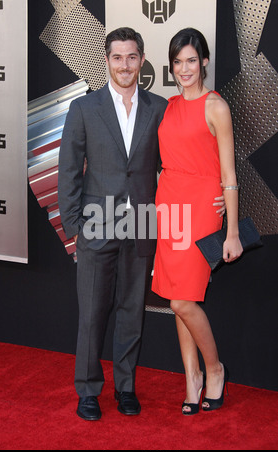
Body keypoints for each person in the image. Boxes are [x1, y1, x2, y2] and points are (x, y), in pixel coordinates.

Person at [58, 27, 225, 421]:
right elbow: (69, 170)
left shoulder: (159, 108)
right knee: (92, 314)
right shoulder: (85, 108)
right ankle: (88, 391)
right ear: (107, 61)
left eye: (132, 57)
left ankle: (126, 388)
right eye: (117, 57)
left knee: (132, 311)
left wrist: (218, 190)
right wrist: (75, 225)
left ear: (142, 60)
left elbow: (189, 150)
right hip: (97, 225)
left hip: (143, 224)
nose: (125, 65)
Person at [152, 28, 243, 415]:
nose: (185, 68)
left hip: (203, 208)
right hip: (169, 206)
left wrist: (233, 231)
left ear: (204, 61)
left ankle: (215, 368)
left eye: (192, 60)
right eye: (178, 62)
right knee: (177, 300)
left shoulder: (216, 106)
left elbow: (230, 175)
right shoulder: (169, 105)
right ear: (171, 66)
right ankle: (192, 380)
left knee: (182, 299)